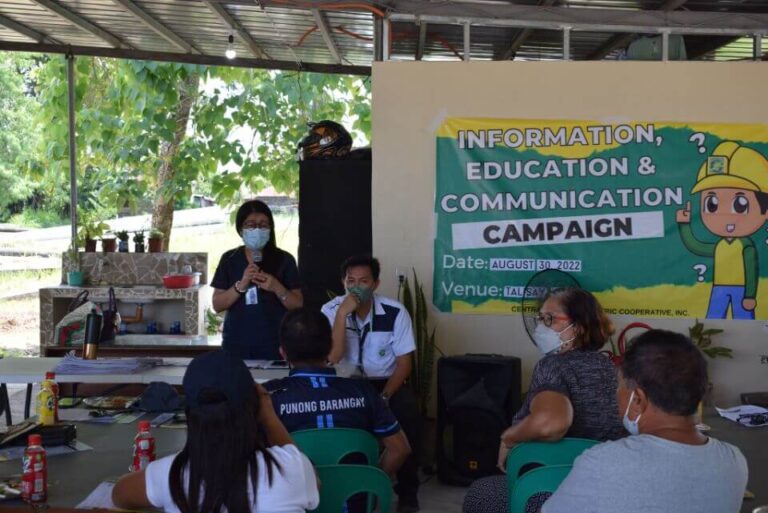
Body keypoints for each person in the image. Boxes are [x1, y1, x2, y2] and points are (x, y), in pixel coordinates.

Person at [542, 329, 748, 513]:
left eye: (619, 386)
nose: (616, 394)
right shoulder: (734, 461)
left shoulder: (604, 463)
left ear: (638, 399)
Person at [463, 288, 625, 513]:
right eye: (540, 318)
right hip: (601, 490)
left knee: (479, 493)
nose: (540, 326)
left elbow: (553, 424)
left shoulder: (552, 366)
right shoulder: (610, 368)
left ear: (577, 328)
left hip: (549, 490)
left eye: (549, 319)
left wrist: (509, 438)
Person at [112, 350, 319, 513]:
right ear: (254, 408)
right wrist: (269, 415)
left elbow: (119, 494)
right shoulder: (291, 468)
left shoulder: (171, 474)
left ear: (190, 416)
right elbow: (314, 482)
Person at [321, 255, 421, 513]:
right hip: (346, 384)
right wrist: (343, 315)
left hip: (386, 384)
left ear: (375, 284)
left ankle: (404, 491)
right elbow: (332, 358)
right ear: (343, 282)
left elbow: (404, 364)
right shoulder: (330, 311)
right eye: (350, 281)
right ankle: (347, 484)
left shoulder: (395, 312)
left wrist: (385, 397)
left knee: (409, 413)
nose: (356, 287)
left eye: (363, 281)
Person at [265, 307, 411, 481]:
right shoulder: (364, 392)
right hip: (355, 500)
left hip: (296, 506)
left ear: (283, 353)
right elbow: (400, 449)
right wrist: (371, 483)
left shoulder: (267, 398)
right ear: (331, 347)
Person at [677, 141, 768, 320]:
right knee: (713, 321)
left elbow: (752, 270)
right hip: (719, 289)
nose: (724, 216)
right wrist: (684, 224)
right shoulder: (720, 245)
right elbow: (696, 246)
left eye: (740, 205)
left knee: (745, 322)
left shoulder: (746, 245)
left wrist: (750, 296)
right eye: (712, 204)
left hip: (741, 290)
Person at [211, 200, 303, 359]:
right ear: (240, 229)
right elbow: (217, 305)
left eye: (263, 225)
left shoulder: (284, 259)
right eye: (250, 225)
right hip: (236, 345)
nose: (257, 230)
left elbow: (298, 304)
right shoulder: (229, 259)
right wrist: (241, 285)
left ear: (270, 228)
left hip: (276, 346)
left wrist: (276, 286)